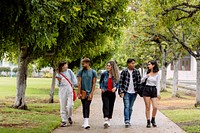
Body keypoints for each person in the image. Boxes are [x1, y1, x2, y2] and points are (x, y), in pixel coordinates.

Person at [118, 58, 141, 128]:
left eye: (134, 63)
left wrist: (139, 91)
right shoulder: (124, 72)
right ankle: (127, 120)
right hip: (126, 92)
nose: (133, 64)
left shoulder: (136, 72)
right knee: (127, 106)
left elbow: (139, 82)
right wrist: (121, 92)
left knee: (130, 107)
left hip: (134, 92)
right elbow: (120, 83)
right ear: (128, 64)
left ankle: (128, 120)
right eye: (132, 63)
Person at [77, 58, 97, 129]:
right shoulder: (80, 72)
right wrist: (78, 93)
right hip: (83, 92)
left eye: (83, 63)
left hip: (89, 92)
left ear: (88, 63)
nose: (82, 65)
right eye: (82, 64)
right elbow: (79, 82)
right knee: (84, 106)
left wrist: (92, 93)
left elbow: (94, 83)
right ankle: (85, 121)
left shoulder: (93, 72)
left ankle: (86, 122)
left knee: (87, 106)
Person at [56, 61, 77, 127]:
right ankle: (64, 120)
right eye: (65, 65)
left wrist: (75, 85)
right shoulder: (58, 74)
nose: (67, 66)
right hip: (62, 90)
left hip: (69, 89)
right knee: (63, 105)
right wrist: (59, 81)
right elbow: (58, 85)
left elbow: (74, 80)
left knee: (70, 105)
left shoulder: (69, 71)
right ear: (62, 66)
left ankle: (69, 116)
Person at [99, 61, 119, 128]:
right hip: (105, 92)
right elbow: (101, 82)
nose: (107, 67)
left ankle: (109, 119)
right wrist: (101, 87)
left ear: (112, 67)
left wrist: (115, 87)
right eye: (107, 65)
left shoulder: (116, 75)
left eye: (109, 66)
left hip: (112, 93)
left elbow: (119, 84)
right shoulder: (104, 73)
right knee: (106, 105)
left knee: (111, 106)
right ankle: (106, 119)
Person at [141, 60, 161, 128]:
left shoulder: (158, 73)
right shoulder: (147, 72)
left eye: (149, 64)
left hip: (154, 90)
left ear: (153, 65)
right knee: (147, 107)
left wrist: (158, 93)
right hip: (146, 89)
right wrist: (146, 76)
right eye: (148, 64)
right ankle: (148, 121)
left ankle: (153, 119)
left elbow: (158, 84)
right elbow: (141, 81)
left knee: (155, 107)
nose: (148, 65)